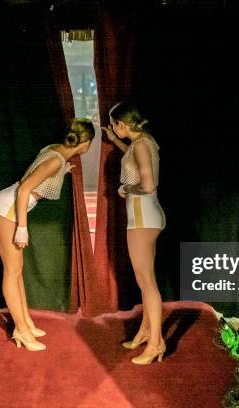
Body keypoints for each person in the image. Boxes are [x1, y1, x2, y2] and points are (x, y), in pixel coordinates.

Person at [0, 118, 94, 351]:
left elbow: (42, 170)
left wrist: (63, 170)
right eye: (89, 145)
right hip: (9, 209)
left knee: (17, 272)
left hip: (11, 205)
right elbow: (26, 187)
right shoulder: (56, 159)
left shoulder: (53, 152)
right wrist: (22, 229)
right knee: (12, 271)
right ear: (84, 143)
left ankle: (25, 322)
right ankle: (21, 330)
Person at [102, 102, 167, 365]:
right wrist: (116, 141)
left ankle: (156, 344)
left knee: (147, 282)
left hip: (142, 219)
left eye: (114, 123)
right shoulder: (145, 141)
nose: (114, 128)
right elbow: (132, 156)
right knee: (144, 281)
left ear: (122, 124)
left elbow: (148, 185)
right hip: (148, 217)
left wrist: (126, 190)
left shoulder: (140, 145)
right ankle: (145, 332)